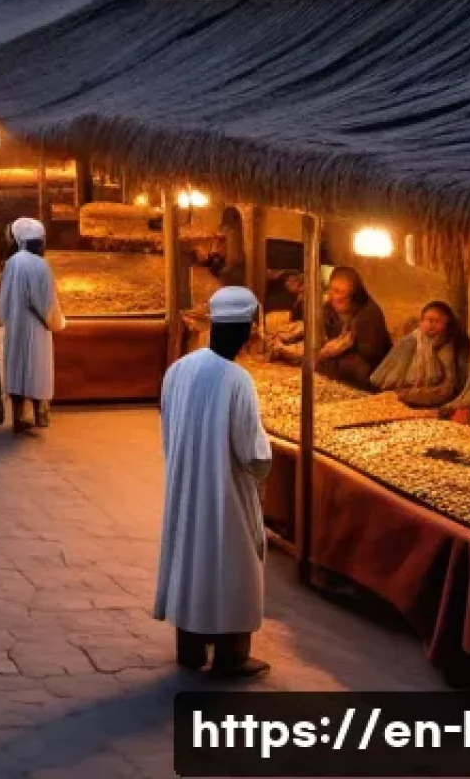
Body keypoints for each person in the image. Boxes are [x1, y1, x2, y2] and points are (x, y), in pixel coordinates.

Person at [155, 286, 272, 678]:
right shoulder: (238, 380)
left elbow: (167, 427)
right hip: (226, 493)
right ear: (244, 329)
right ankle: (231, 654)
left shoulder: (180, 368)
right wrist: (261, 471)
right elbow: (253, 453)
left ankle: (190, 646)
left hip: (186, 484)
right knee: (231, 564)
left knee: (191, 559)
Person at [0, 218, 66, 434]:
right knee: (37, 368)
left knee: (16, 368)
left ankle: (16, 418)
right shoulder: (41, 265)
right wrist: (56, 322)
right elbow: (48, 301)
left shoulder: (12, 263)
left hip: (15, 326)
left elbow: (2, 295)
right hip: (37, 328)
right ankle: (39, 414)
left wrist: (0, 318)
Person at [371, 301, 466, 408]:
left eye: (436, 321)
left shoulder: (447, 349)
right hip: (397, 397)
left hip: (426, 400)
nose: (430, 324)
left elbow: (448, 388)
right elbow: (387, 378)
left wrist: (413, 396)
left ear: (447, 324)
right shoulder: (409, 342)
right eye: (426, 320)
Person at [317, 267, 392, 388]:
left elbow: (371, 353)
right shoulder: (330, 308)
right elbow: (327, 333)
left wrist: (344, 346)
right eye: (332, 290)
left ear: (352, 296)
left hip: (371, 366)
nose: (333, 297)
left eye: (338, 292)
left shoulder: (368, 315)